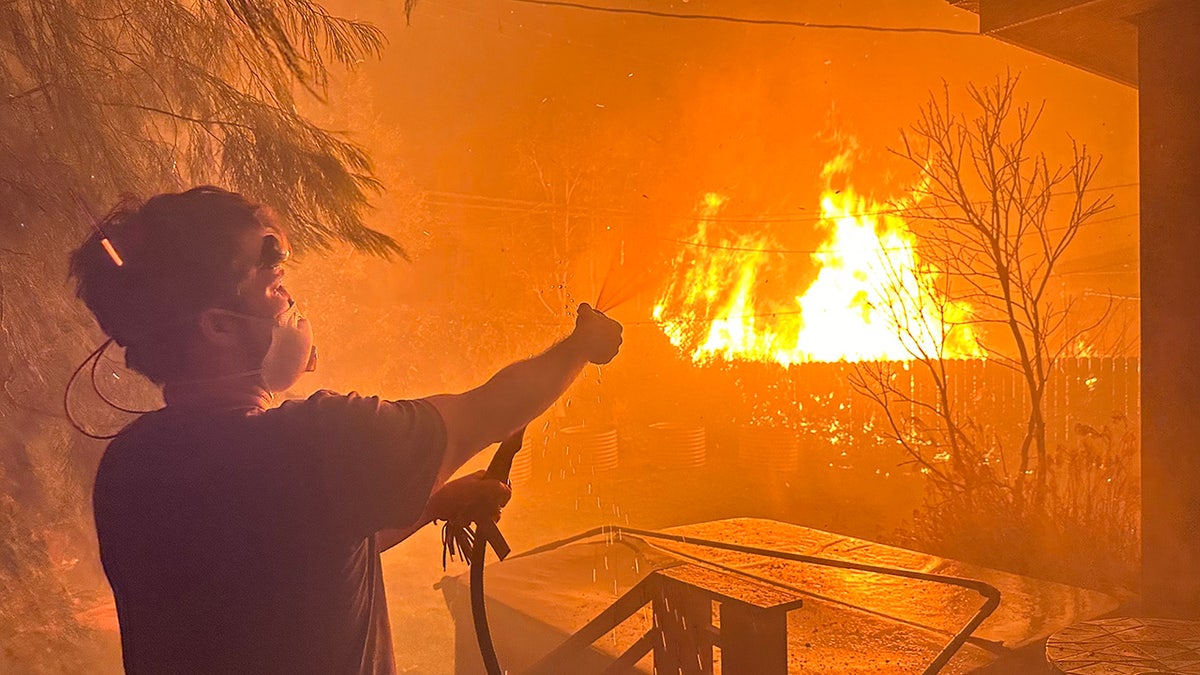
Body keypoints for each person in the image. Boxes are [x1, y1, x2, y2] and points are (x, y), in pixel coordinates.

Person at [68, 186, 623, 674]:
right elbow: (491, 410)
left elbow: (294, 557)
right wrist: (579, 347)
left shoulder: (132, 465)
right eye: (272, 283)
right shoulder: (318, 444)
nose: (289, 304)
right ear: (216, 325)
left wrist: (432, 503)